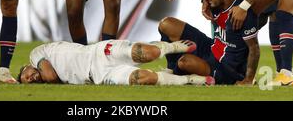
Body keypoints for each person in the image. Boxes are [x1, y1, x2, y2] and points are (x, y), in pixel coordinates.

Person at [160, 0, 260, 85]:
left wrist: (248, 79)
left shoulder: (242, 14)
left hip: (226, 68)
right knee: (166, 24)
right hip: (211, 47)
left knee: (185, 62)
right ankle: (171, 69)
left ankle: (174, 78)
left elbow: (254, 48)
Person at [17, 39, 215, 85]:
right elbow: (48, 78)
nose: (31, 78)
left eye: (26, 75)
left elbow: (50, 75)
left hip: (99, 52)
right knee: (141, 78)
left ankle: (169, 47)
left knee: (148, 53)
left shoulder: (36, 54)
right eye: (28, 82)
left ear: (26, 67)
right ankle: (188, 79)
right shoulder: (45, 78)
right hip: (99, 76)